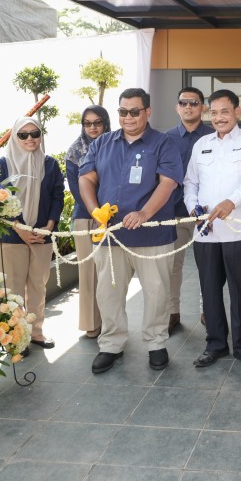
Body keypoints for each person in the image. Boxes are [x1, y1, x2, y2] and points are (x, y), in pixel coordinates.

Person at [78, 88, 182, 374]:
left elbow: (168, 182)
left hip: (152, 236)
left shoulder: (163, 143)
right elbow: (86, 178)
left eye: (134, 111)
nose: (127, 117)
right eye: (122, 111)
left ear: (148, 112)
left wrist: (144, 213)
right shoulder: (102, 144)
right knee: (108, 294)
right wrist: (94, 211)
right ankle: (111, 344)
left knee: (157, 292)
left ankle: (156, 343)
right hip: (111, 236)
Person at [184, 89, 241, 371]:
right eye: (214, 112)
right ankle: (215, 344)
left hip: (240, 231)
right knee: (209, 291)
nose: (219, 118)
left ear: (237, 112)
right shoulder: (201, 144)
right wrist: (193, 208)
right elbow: (190, 183)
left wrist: (232, 202)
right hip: (206, 233)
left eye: (225, 112)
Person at [0, 116, 64, 351]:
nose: (30, 139)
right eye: (23, 135)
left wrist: (50, 225)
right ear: (15, 137)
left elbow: (57, 196)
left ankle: (36, 332)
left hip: (41, 234)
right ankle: (15, 338)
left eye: (35, 134)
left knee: (38, 286)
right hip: (10, 236)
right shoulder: (2, 165)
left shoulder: (50, 164)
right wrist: (19, 229)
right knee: (12, 289)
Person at [165, 87, 215, 332]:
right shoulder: (166, 139)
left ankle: (208, 310)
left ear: (202, 107)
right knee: (173, 266)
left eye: (193, 103)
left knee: (207, 265)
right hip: (173, 212)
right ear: (177, 107)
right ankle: (173, 312)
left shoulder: (215, 136)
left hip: (204, 214)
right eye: (183, 103)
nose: (188, 107)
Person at [65, 105, 111, 339]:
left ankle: (113, 323)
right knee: (89, 273)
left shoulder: (116, 145)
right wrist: (98, 214)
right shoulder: (74, 152)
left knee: (113, 273)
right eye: (87, 123)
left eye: (97, 122)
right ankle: (92, 323)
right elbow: (77, 191)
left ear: (105, 123)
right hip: (86, 218)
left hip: (114, 218)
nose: (92, 127)